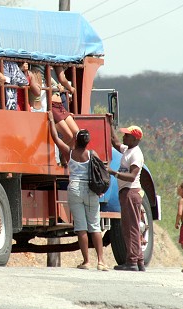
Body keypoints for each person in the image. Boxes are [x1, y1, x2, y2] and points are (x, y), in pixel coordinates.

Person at [47, 112, 108, 271]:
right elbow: (101, 170)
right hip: (90, 190)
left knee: (81, 227)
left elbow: (56, 137)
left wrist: (52, 120)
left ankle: (86, 261)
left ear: (75, 140)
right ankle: (101, 261)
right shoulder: (92, 154)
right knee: (95, 226)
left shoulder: (69, 153)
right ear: (87, 142)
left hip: (74, 188)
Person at [107, 118, 146, 272]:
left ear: (135, 139)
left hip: (131, 192)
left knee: (131, 228)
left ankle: (131, 261)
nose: (124, 137)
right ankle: (139, 261)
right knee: (131, 227)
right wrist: (109, 125)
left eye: (127, 135)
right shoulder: (128, 150)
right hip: (127, 192)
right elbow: (115, 142)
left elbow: (132, 176)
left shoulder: (136, 155)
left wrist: (113, 173)